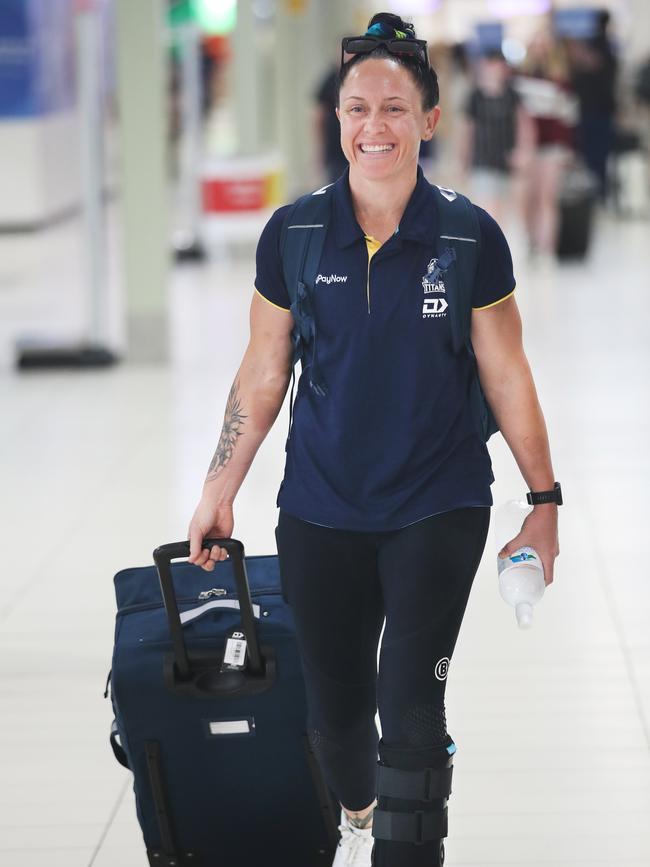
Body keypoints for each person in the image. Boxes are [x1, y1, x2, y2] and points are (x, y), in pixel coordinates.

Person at [188, 12, 561, 867]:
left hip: (440, 499)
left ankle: (407, 848)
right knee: (338, 712)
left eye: (394, 109)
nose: (373, 127)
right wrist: (219, 486)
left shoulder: (470, 237)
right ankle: (358, 812)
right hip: (320, 503)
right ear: (338, 119)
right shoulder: (296, 232)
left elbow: (507, 374)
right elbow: (260, 373)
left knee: (410, 706)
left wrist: (542, 500)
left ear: (430, 120)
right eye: (358, 109)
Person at [458, 49, 535, 224]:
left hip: (507, 162)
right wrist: (463, 160)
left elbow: (525, 127)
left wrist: (524, 153)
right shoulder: (475, 97)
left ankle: (504, 245)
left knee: (508, 210)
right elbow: (466, 131)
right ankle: (492, 246)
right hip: (482, 161)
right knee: (489, 209)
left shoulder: (512, 96)